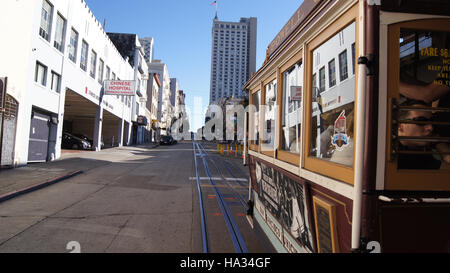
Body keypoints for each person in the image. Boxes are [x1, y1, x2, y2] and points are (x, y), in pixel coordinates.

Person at [397, 100, 442, 169]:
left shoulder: (417, 150)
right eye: (421, 121)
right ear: (400, 126)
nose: (430, 128)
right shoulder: (394, 156)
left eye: (431, 122)